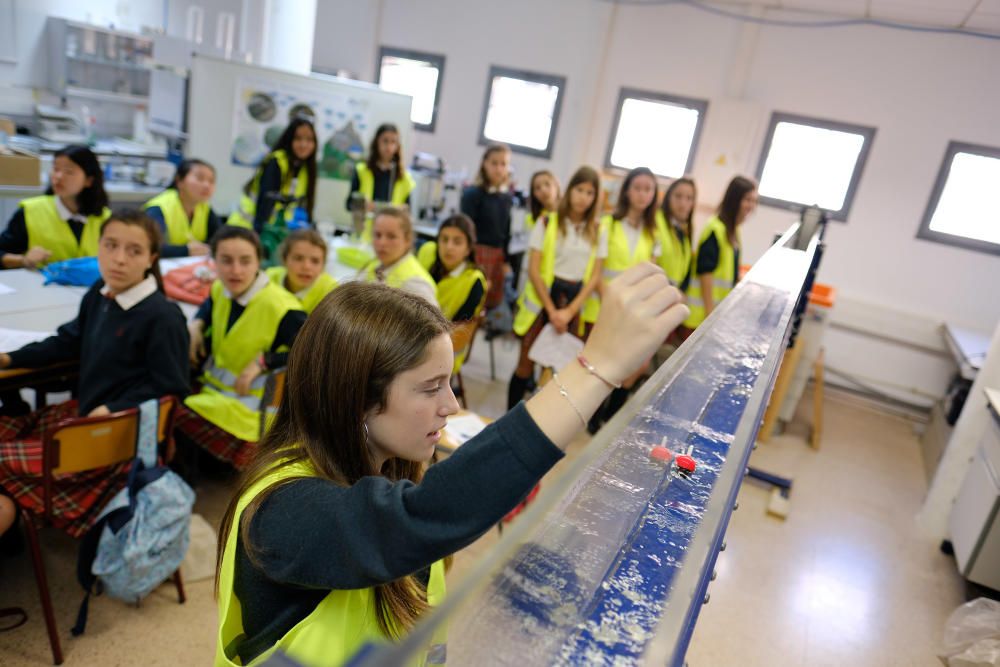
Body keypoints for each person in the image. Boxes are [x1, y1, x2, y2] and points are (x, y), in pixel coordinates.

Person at [213, 264, 689, 666]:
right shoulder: (282, 509)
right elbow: (425, 514)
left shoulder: (385, 472)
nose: (452, 404)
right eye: (430, 387)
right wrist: (596, 366)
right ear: (358, 399)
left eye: (450, 383)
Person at [0, 209, 189, 534]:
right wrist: (9, 359)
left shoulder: (163, 318)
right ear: (98, 247)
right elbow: (68, 341)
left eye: (134, 251)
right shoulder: (101, 292)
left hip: (109, 442)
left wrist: (112, 410)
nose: (118, 259)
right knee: (8, 426)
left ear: (151, 258)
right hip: (85, 418)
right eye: (110, 245)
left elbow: (171, 387)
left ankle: (14, 513)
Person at [174, 227, 306, 472]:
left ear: (259, 261)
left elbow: (315, 352)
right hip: (216, 393)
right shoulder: (220, 289)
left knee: (169, 410)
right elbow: (210, 302)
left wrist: (266, 361)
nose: (235, 270)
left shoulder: (282, 307)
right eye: (226, 261)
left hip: (249, 413)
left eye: (245, 261)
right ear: (213, 262)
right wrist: (197, 323)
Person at [508, 166, 607, 410]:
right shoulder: (547, 221)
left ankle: (540, 422)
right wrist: (553, 311)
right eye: (579, 189)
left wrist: (569, 312)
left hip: (573, 305)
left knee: (557, 371)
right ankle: (507, 416)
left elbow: (595, 276)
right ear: (569, 189)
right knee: (525, 364)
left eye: (589, 192)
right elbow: (533, 270)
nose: (583, 197)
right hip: (544, 301)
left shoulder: (598, 229)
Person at [586, 167, 662, 431]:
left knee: (630, 368)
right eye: (638, 188)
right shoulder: (609, 224)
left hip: (634, 313)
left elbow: (651, 275)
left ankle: (608, 418)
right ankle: (591, 417)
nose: (643, 194)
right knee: (599, 366)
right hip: (603, 307)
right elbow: (597, 273)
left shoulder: (653, 232)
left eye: (648, 189)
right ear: (627, 191)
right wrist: (616, 305)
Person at [0, 145, 110, 269]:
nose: (58, 177)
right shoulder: (31, 211)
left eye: (69, 172)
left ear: (89, 180)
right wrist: (23, 260)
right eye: (56, 169)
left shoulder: (106, 219)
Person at [684, 176, 757, 330]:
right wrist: (710, 314)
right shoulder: (715, 229)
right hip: (701, 317)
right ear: (734, 200)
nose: (751, 205)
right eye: (747, 200)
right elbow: (706, 272)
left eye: (753, 200)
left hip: (715, 314)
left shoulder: (733, 231)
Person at [227, 118, 318, 235]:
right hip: (246, 229)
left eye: (309, 139)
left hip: (273, 230)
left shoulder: (305, 168)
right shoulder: (277, 162)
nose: (304, 144)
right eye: (298, 138)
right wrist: (259, 237)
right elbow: (265, 205)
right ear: (289, 139)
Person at [460, 143, 513, 311]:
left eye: (503, 164)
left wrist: (505, 260)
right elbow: (466, 230)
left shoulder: (506, 198)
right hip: (476, 254)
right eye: (494, 163)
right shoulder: (472, 194)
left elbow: (506, 231)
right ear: (485, 164)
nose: (498, 169)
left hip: (496, 255)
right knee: (471, 300)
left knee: (489, 303)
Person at [345, 123, 415, 243]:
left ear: (398, 146)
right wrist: (361, 204)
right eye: (385, 141)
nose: (389, 146)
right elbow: (348, 204)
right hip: (362, 237)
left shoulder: (404, 179)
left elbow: (407, 212)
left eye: (393, 142)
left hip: (389, 239)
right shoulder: (362, 170)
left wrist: (393, 210)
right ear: (376, 142)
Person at [144, 158, 223, 258]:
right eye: (200, 178)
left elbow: (221, 238)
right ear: (179, 181)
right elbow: (150, 247)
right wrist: (186, 250)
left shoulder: (204, 208)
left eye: (211, 181)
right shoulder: (159, 208)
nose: (207, 185)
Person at [361, 206, 436, 305]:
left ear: (407, 240)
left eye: (391, 236)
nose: (382, 242)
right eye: (378, 235)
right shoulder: (375, 264)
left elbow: (432, 320)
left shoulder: (415, 283)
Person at [266, 229, 338, 314]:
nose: (306, 267)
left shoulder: (331, 293)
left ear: (323, 266)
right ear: (285, 259)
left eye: (315, 261)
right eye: (298, 258)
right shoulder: (269, 278)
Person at [656, 177, 696, 292]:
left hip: (669, 298)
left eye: (689, 198)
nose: (683, 203)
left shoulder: (684, 231)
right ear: (668, 197)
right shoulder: (656, 222)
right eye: (678, 196)